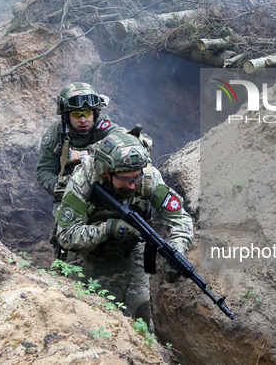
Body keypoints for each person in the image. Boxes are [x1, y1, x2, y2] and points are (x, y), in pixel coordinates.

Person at [54, 132, 193, 320]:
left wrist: (177, 249)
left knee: (140, 312)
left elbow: (180, 219)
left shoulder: (149, 178)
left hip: (132, 249)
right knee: (85, 314)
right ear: (106, 173)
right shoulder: (84, 180)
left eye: (136, 178)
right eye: (125, 180)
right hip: (87, 251)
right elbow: (66, 235)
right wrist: (107, 228)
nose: (132, 185)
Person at [36, 82, 126, 200]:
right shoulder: (55, 134)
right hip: (72, 190)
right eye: (77, 114)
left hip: (107, 186)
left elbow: (124, 139)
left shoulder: (101, 126)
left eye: (88, 113)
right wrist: (62, 188)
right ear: (66, 116)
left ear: (95, 113)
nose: (83, 120)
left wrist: (84, 154)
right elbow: (45, 171)